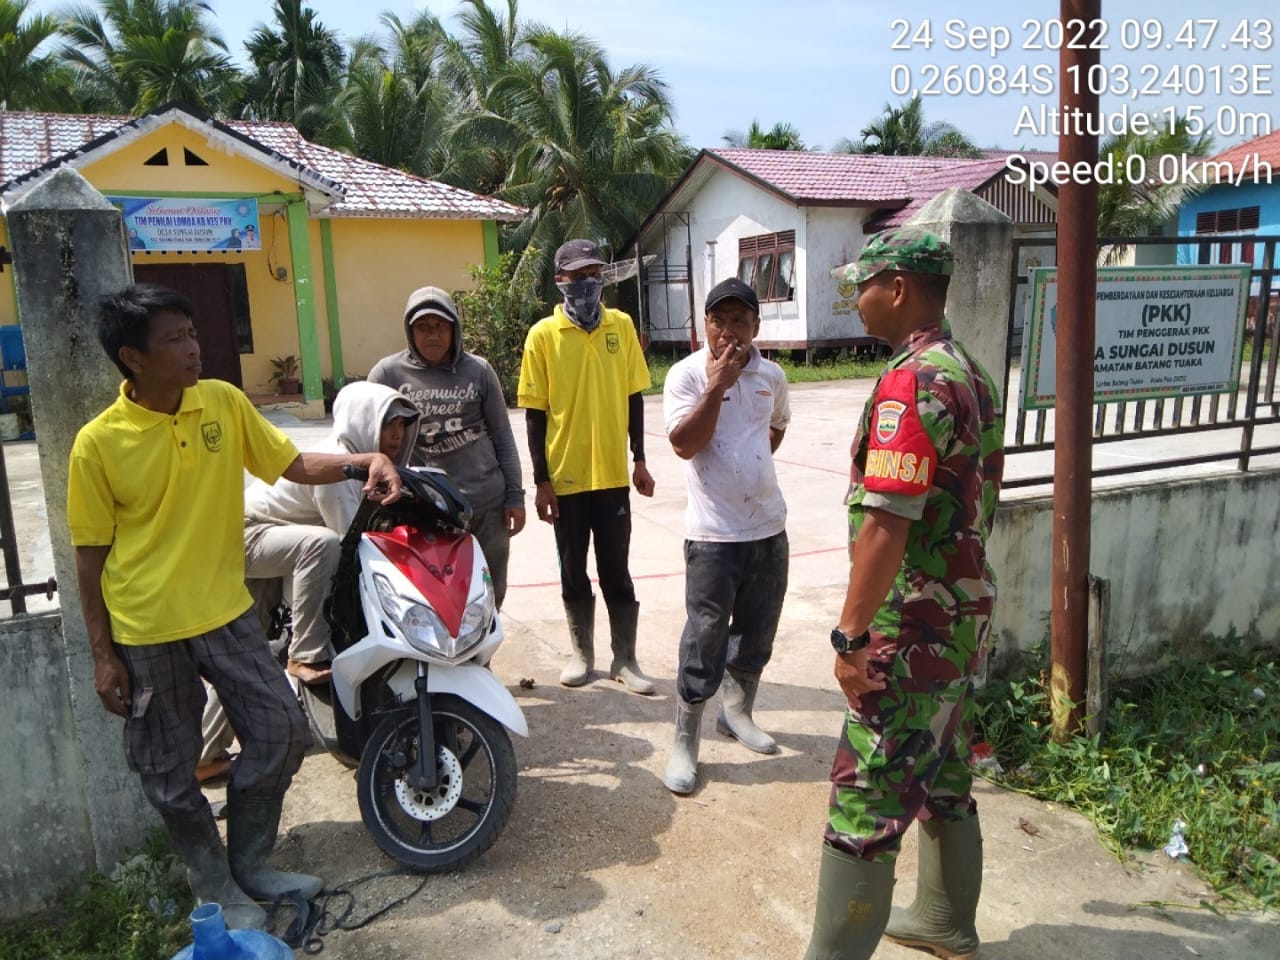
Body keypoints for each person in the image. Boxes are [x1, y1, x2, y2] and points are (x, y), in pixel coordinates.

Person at [67, 284, 402, 931]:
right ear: (132, 357)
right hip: (147, 625)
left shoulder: (221, 402)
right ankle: (214, 883)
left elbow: (292, 461)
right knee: (168, 770)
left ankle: (251, 862)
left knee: (280, 731)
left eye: (193, 333)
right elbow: (89, 556)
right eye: (175, 339)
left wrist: (365, 460)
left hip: (224, 611)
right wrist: (103, 654)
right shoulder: (98, 444)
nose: (194, 348)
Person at [803, 229, 1005, 960]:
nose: (854, 299)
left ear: (897, 288)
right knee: (944, 769)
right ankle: (946, 922)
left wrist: (851, 638)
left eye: (862, 285)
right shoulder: (971, 371)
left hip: (911, 631)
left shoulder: (914, 379)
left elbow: (887, 524)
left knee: (868, 793)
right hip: (959, 616)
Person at [661, 277, 791, 795]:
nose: (730, 332)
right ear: (705, 325)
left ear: (756, 326)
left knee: (758, 630)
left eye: (741, 321)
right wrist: (718, 383)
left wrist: (750, 465)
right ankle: (685, 741)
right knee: (705, 636)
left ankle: (736, 713)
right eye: (720, 321)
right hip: (713, 536)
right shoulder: (687, 375)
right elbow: (684, 445)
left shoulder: (772, 376)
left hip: (769, 527)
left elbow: (776, 427)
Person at [517, 239, 656, 693]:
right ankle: (582, 654)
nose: (586, 284)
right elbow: (535, 414)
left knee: (617, 569)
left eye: (593, 273)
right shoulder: (543, 335)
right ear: (559, 281)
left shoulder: (621, 325)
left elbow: (634, 396)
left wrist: (640, 458)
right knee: (573, 569)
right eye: (576, 276)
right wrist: (541, 481)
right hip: (566, 480)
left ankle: (626, 659)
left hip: (613, 478)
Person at [242, 380, 422, 685]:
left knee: (250, 660)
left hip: (283, 535)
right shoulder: (339, 468)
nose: (397, 434)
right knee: (325, 545)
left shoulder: (370, 464)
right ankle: (305, 655)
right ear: (363, 421)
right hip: (249, 534)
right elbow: (351, 543)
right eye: (388, 423)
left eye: (403, 425)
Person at [368, 285, 525, 608]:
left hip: (486, 505)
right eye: (423, 327)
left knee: (489, 594)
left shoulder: (478, 371)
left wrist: (514, 495)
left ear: (454, 328)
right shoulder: (387, 374)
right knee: (435, 598)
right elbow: (366, 437)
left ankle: (482, 658)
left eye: (440, 326)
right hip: (425, 508)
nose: (432, 335)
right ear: (410, 332)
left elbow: (503, 437)